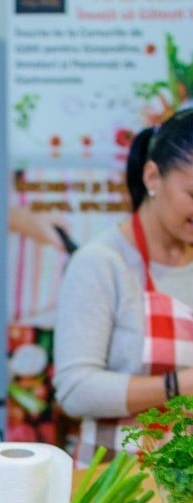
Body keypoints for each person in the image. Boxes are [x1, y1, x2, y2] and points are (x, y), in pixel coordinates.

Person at [53, 108, 193, 467]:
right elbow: (75, 390)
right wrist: (178, 387)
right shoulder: (101, 263)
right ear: (152, 176)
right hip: (119, 487)